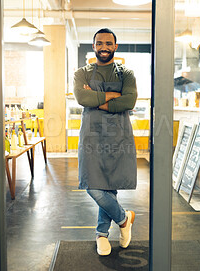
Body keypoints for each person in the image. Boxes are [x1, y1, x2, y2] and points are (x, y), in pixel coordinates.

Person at [73, 28, 138, 256]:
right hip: (91, 135)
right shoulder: (81, 73)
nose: (104, 47)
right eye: (99, 43)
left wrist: (97, 100)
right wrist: (112, 96)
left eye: (108, 43)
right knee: (92, 185)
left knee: (109, 185)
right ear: (93, 46)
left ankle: (101, 234)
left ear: (115, 47)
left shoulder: (126, 74)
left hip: (118, 136)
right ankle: (123, 219)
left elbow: (129, 101)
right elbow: (82, 98)